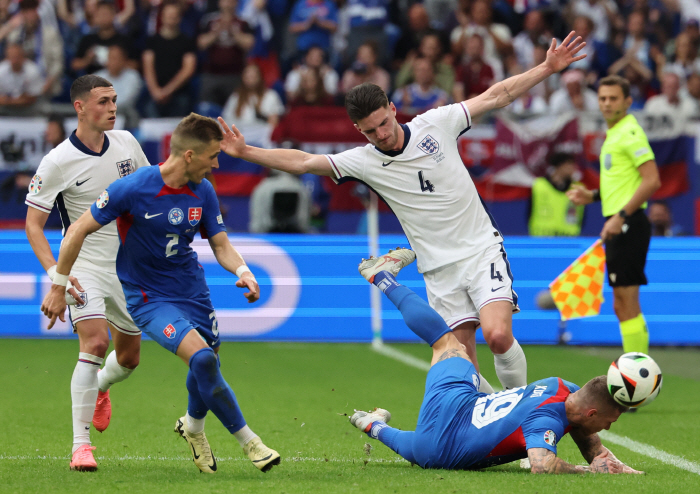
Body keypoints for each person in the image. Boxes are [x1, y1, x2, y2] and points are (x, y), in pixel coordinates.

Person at [217, 32, 588, 393]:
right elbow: (302, 161)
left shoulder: (436, 123)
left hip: (479, 250)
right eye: (370, 131)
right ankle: (501, 415)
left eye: (384, 123)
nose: (381, 134)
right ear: (358, 130)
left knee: (497, 334)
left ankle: (527, 422)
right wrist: (247, 152)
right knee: (462, 367)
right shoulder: (362, 161)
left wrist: (547, 68)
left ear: (393, 110)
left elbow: (496, 95)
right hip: (438, 270)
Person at [40, 112, 281, 475]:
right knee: (201, 360)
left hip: (192, 291)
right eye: (212, 156)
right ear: (189, 155)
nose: (216, 164)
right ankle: (250, 441)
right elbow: (76, 231)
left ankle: (194, 428)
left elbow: (220, 244)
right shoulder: (133, 188)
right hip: (148, 297)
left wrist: (243, 271)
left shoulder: (203, 190)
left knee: (208, 362)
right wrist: (58, 285)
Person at [349, 248, 645, 474]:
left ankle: (383, 278)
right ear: (592, 413)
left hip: (454, 411)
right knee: (414, 445)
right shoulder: (548, 420)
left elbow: (584, 430)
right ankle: (370, 425)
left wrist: (608, 462)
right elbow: (542, 463)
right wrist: (583, 470)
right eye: (609, 420)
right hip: (437, 451)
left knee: (445, 342)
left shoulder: (561, 386)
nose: (607, 428)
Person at [24, 75, 150, 471]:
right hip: (82, 267)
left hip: (127, 266)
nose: (112, 107)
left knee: (129, 358)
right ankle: (81, 446)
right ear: (79, 108)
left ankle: (100, 388)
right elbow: (33, 224)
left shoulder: (128, 143)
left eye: (114, 100)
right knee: (95, 344)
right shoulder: (58, 161)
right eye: (102, 101)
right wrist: (55, 276)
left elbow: (150, 190)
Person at [567, 75, 661, 356]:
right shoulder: (616, 133)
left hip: (629, 224)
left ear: (628, 102)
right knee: (622, 304)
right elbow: (625, 182)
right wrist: (593, 196)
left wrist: (620, 216)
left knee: (626, 302)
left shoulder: (630, 133)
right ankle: (638, 372)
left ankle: (639, 377)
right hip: (623, 223)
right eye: (602, 98)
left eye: (613, 98)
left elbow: (651, 180)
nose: (607, 104)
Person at [142, 0, 197, 117]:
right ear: (162, 17)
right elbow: (148, 67)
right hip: (155, 93)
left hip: (179, 93)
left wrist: (167, 91)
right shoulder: (152, 41)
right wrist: (156, 92)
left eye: (174, 16)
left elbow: (188, 69)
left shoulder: (187, 42)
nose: (171, 19)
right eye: (168, 16)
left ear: (179, 18)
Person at [529, 153, 584, 237]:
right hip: (541, 240)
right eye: (569, 164)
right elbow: (529, 212)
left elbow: (581, 218)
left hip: (569, 241)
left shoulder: (578, 189)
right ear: (559, 166)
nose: (573, 168)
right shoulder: (539, 185)